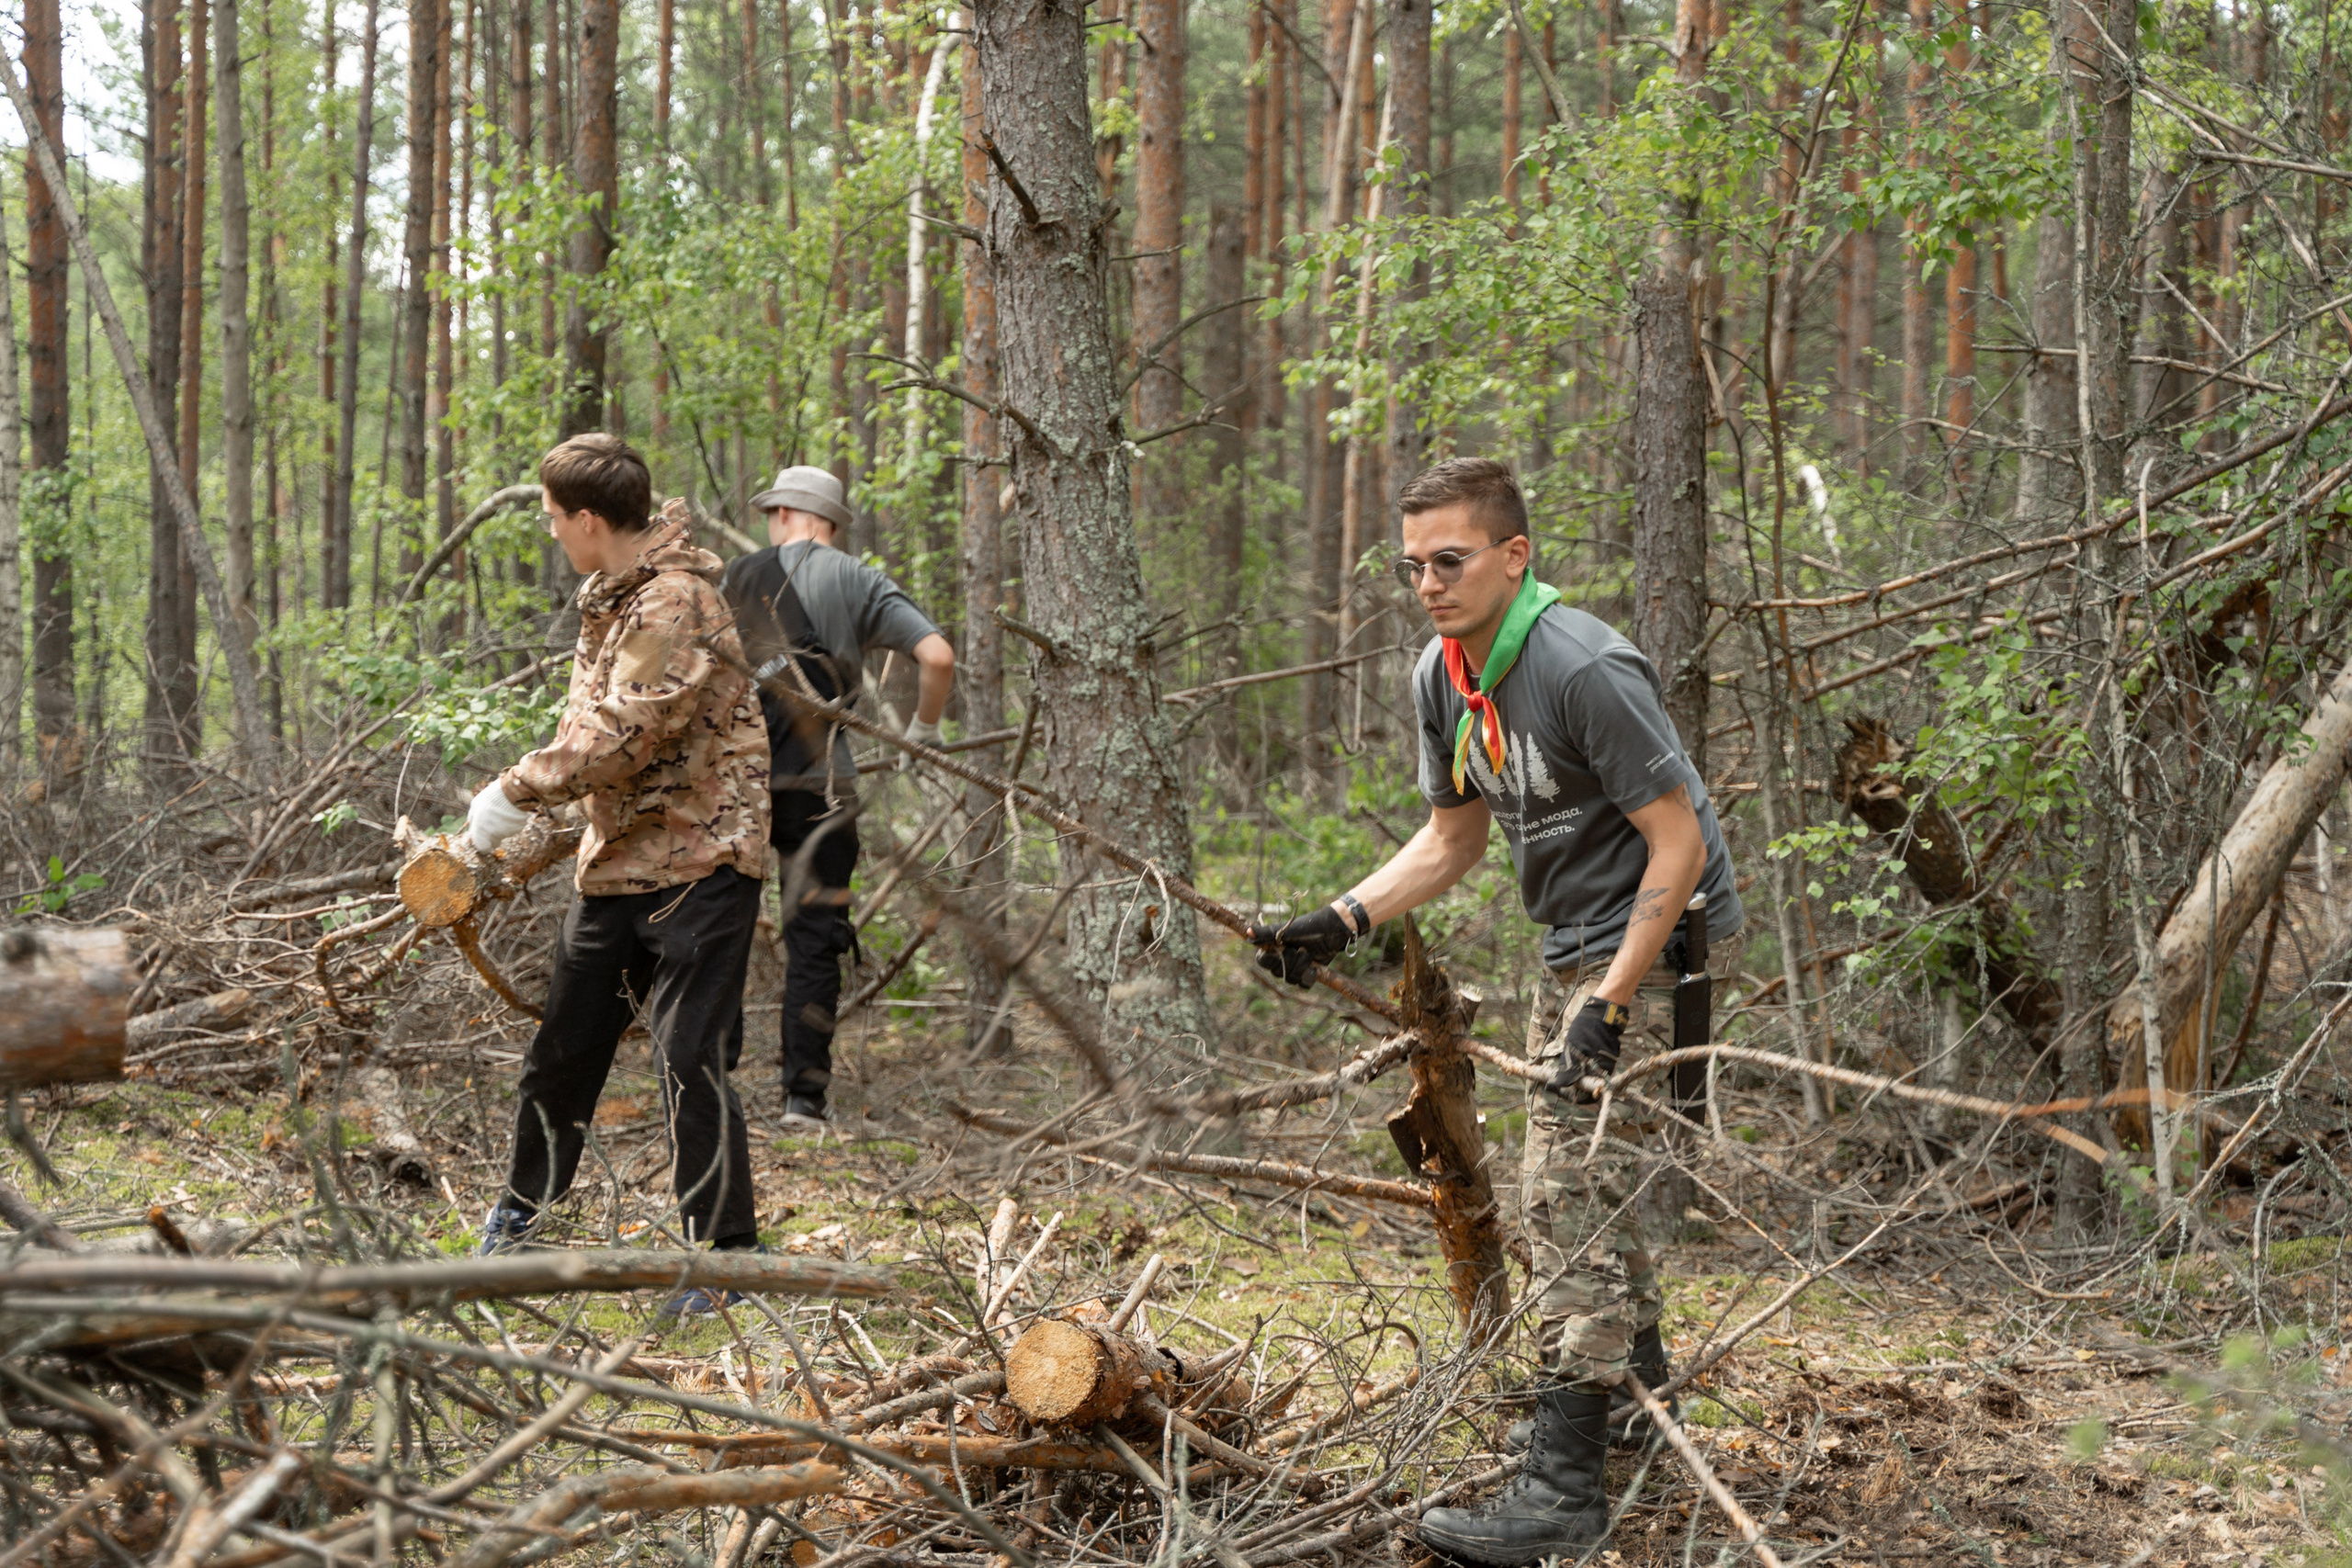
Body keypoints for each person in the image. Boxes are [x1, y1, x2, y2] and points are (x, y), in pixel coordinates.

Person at [1250, 458, 1742, 1565]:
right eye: (1411, 564)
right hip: (1568, 946)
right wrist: (1341, 917)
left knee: (1566, 1201)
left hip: (1657, 949)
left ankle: (1563, 1499)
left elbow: (1679, 843)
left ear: (1514, 557)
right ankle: (1633, 1426)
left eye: (1450, 560)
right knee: (1589, 1198)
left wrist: (1609, 1007)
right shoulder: (1443, 672)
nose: (1427, 582)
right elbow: (1453, 840)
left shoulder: (1582, 667)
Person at [469, 435, 772, 1293]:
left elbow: (622, 730)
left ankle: (721, 1258)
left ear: (591, 520)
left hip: (703, 862)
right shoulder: (609, 598)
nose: (552, 531)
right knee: (563, 1051)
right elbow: (589, 734)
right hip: (619, 865)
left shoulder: (674, 602)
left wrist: (513, 790)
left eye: (555, 518)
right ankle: (525, 1223)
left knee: (688, 1057)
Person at [721, 466, 956, 1128]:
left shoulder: (738, 576)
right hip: (823, 784)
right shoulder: (861, 581)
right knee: (815, 937)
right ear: (830, 521)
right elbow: (937, 657)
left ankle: (710, 1084)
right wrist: (924, 733)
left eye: (772, 512)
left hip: (738, 781)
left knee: (721, 930)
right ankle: (804, 1099)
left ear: (791, 513)